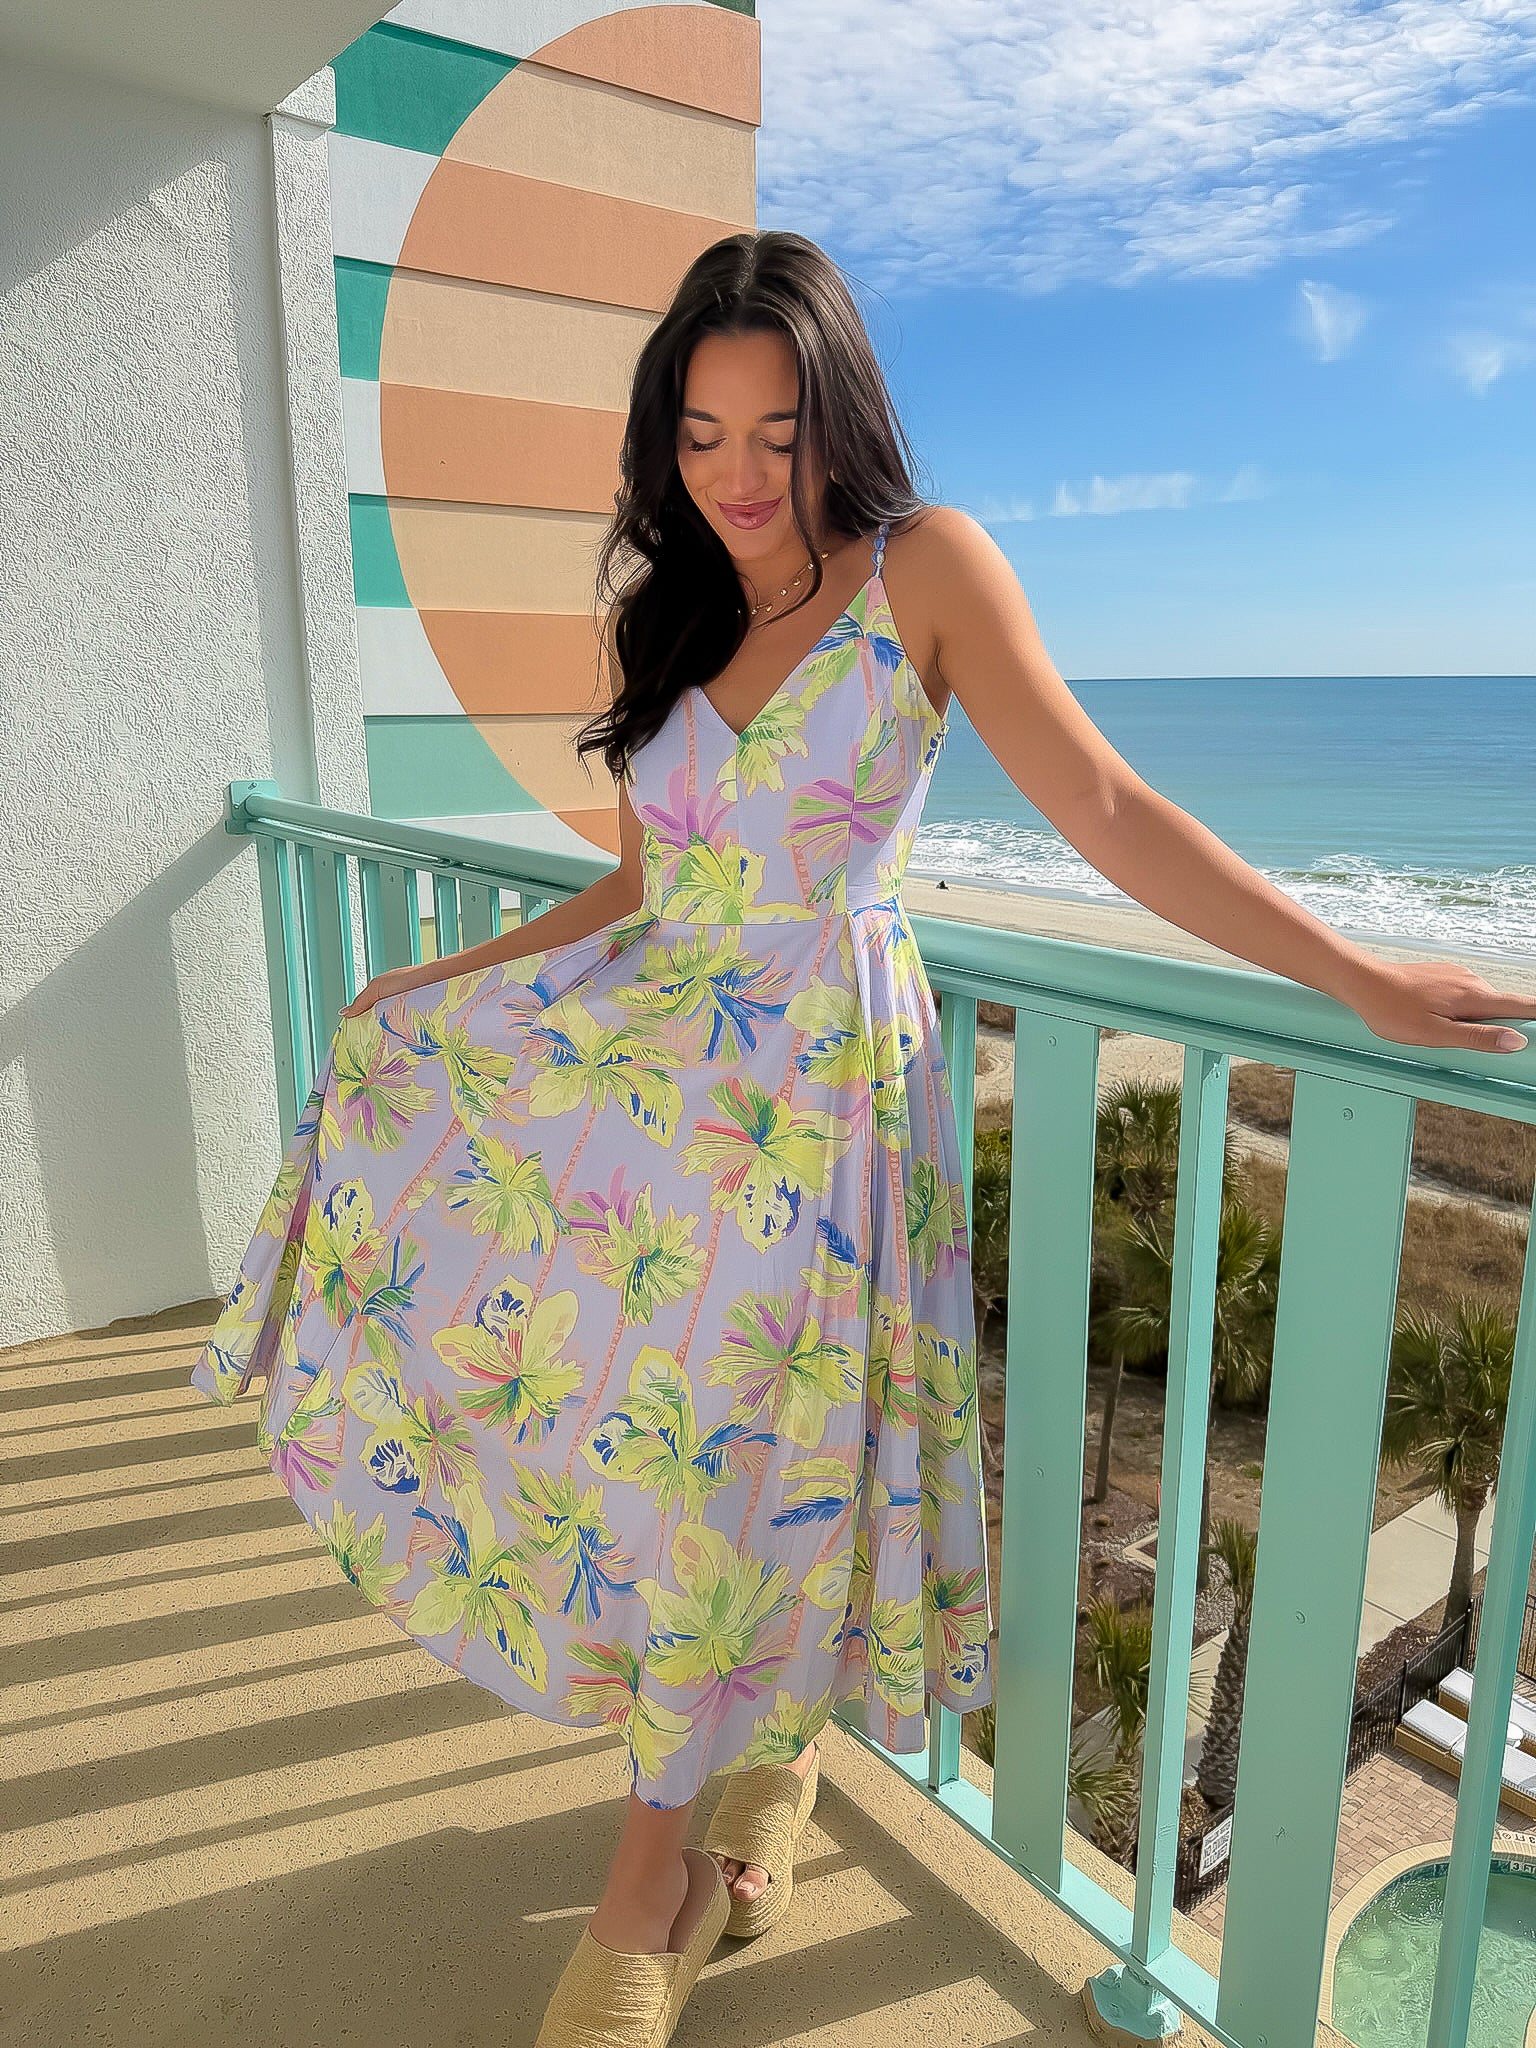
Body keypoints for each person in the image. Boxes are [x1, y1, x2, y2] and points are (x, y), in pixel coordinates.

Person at [189, 228, 1531, 2048]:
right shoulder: (674, 616)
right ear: (664, 439)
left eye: (778, 428)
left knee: (741, 1464)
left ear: (842, 418)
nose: (739, 474)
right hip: (658, 1109)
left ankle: (649, 1873)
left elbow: (1109, 803)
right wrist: (423, 994)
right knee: (668, 1460)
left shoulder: (928, 569)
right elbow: (643, 887)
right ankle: (762, 1780)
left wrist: (1355, 972)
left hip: (820, 1100)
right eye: (700, 433)